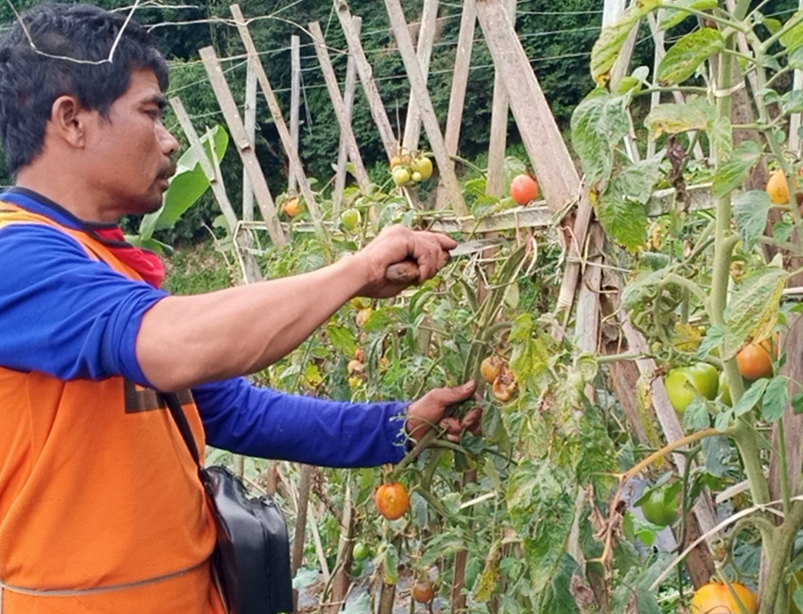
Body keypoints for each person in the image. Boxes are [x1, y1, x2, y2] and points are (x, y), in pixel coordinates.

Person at [0, 4, 481, 613]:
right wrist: (354, 269)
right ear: (71, 119)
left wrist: (400, 424)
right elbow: (173, 345)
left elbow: (234, 410)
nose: (170, 138)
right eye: (150, 112)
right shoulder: (13, 255)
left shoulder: (102, 263)